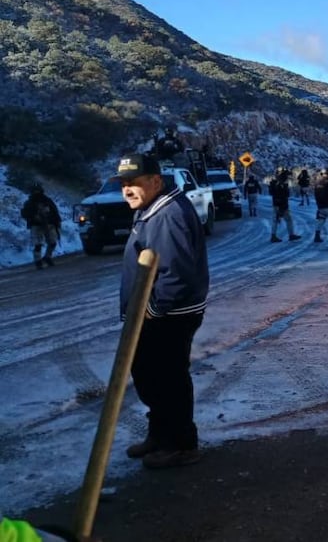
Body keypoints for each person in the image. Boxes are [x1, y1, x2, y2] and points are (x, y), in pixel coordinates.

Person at [114, 152, 209, 469]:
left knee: (168, 379)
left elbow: (176, 273)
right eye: (124, 184)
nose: (127, 190)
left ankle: (181, 445)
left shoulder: (169, 214)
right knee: (148, 375)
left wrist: (152, 310)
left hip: (169, 315)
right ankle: (160, 434)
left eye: (134, 183)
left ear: (155, 181)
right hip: (153, 313)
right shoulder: (151, 208)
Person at [20, 183, 61, 270]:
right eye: (35, 191)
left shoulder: (47, 201)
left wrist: (57, 221)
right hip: (36, 226)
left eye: (38, 190)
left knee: (53, 242)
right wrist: (33, 217)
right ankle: (38, 261)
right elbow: (24, 213)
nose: (36, 192)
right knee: (38, 245)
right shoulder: (29, 203)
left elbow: (54, 211)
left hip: (49, 224)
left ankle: (47, 257)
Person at [268, 167, 301, 243]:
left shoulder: (276, 182)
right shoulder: (280, 183)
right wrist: (281, 207)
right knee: (287, 220)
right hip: (281, 205)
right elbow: (282, 195)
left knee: (275, 220)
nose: (287, 177)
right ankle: (290, 235)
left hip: (277, 204)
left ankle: (274, 236)